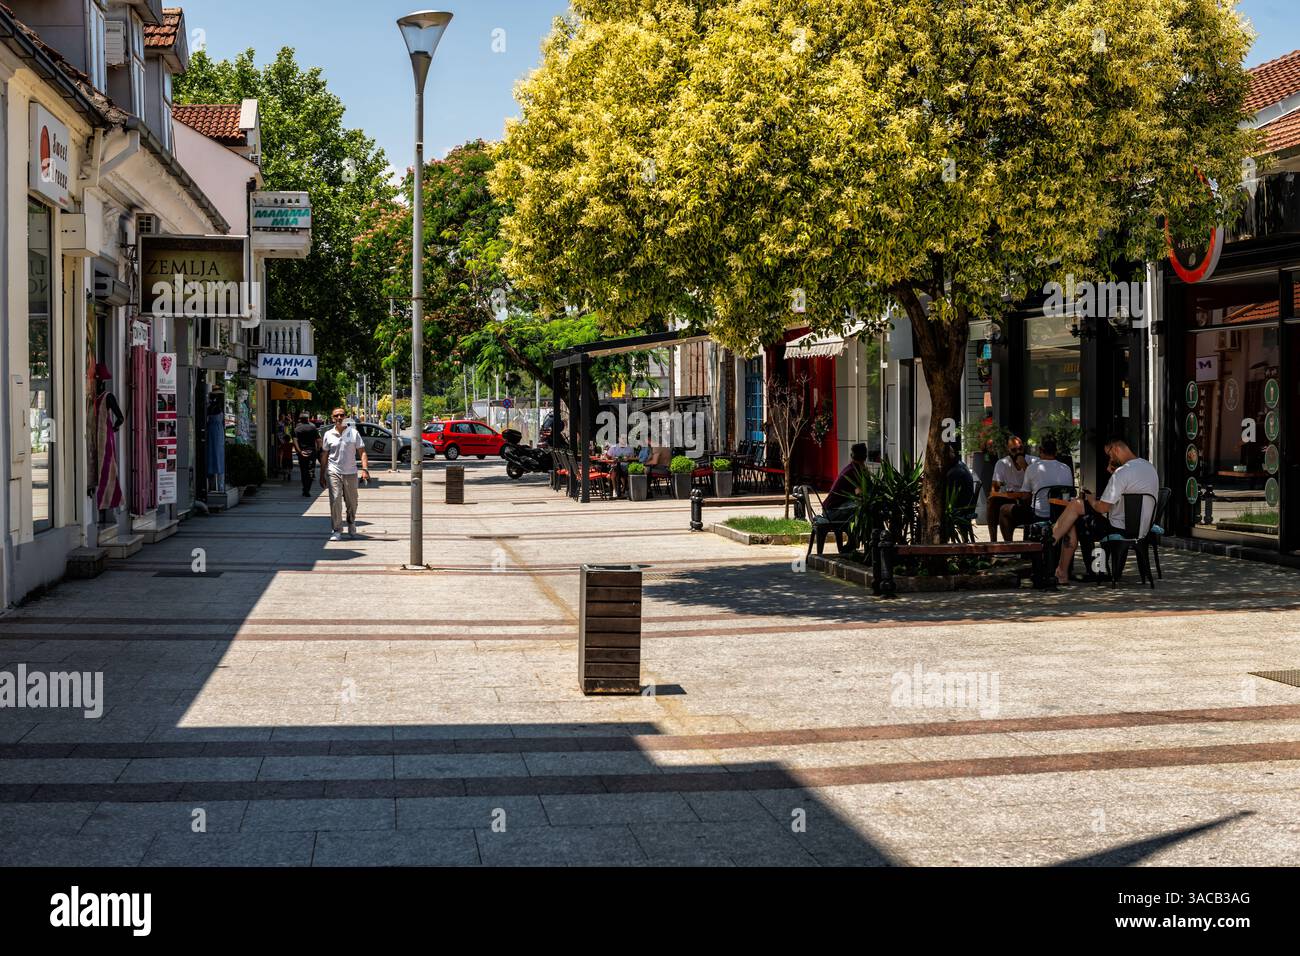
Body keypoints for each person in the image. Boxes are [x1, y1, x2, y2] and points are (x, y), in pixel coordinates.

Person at [1052, 437, 1159, 584]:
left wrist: (1090, 498)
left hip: (1119, 528)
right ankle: (1089, 569)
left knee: (1077, 512)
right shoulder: (1149, 467)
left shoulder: (1122, 473)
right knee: (1079, 516)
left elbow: (1102, 507)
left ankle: (1062, 560)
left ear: (1115, 449)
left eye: (1109, 455)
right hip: (1142, 528)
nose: (1109, 458)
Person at [1000, 436, 1073, 540]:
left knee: (1004, 510)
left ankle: (1009, 547)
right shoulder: (1066, 468)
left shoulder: (1033, 468)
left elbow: (1025, 496)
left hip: (1038, 515)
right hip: (1060, 515)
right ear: (1056, 451)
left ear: (1040, 450)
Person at [320, 408, 370, 540]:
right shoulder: (328, 434)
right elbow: (324, 454)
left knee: (352, 502)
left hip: (351, 472)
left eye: (342, 415)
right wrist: (321, 474)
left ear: (345, 417)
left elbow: (362, 452)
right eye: (337, 415)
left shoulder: (353, 433)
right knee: (335, 499)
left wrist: (365, 469)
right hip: (333, 471)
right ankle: (336, 529)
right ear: (332, 418)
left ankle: (351, 522)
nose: (339, 417)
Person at [988, 435, 1035, 542]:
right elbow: (994, 489)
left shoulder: (1033, 462)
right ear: (1008, 450)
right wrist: (998, 486)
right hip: (1010, 497)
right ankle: (993, 541)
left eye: (1020, 449)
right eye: (1014, 450)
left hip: (1028, 499)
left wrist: (1025, 467)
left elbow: (1036, 484)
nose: (1018, 452)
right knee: (991, 501)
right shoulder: (1002, 463)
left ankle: (1010, 543)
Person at [824, 443, 868, 521]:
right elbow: (861, 493)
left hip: (829, 510)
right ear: (865, 457)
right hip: (833, 512)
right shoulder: (854, 471)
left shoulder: (851, 468)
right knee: (865, 507)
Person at [293, 413, 322, 498]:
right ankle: (307, 489)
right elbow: (319, 440)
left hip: (302, 453)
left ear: (300, 419)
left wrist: (299, 451)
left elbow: (295, 441)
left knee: (303, 471)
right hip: (312, 452)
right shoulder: (313, 428)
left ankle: (305, 488)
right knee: (310, 471)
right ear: (308, 419)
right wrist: (318, 450)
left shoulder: (296, 429)